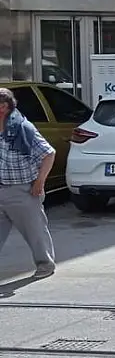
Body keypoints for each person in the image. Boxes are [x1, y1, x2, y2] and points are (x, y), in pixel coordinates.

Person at [0, 87, 57, 279]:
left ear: (6, 107)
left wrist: (39, 183)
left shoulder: (23, 128)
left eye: (1, 105)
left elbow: (49, 153)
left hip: (22, 190)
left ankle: (45, 264)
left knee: (35, 232)